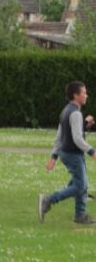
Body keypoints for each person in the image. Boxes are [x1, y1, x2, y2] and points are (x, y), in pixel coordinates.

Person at [39, 81, 96, 224]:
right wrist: (92, 151)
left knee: (80, 182)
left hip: (66, 152)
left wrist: (54, 156)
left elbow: (61, 135)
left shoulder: (66, 111)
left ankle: (80, 215)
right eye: (84, 93)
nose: (86, 95)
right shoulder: (75, 113)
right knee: (80, 185)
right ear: (76, 95)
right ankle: (49, 200)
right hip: (72, 154)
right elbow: (77, 138)